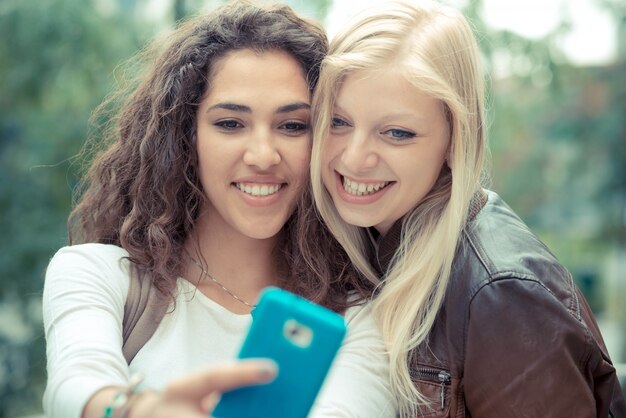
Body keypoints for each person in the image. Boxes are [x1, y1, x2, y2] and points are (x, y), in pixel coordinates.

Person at [43, 1, 396, 417]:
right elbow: (75, 387)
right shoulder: (99, 274)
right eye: (230, 123)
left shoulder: (356, 320)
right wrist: (137, 411)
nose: (263, 155)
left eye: (292, 125)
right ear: (183, 137)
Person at [309, 0, 626, 416]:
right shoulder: (367, 247)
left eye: (397, 133)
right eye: (338, 121)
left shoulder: (502, 295)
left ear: (454, 140)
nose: (354, 158)